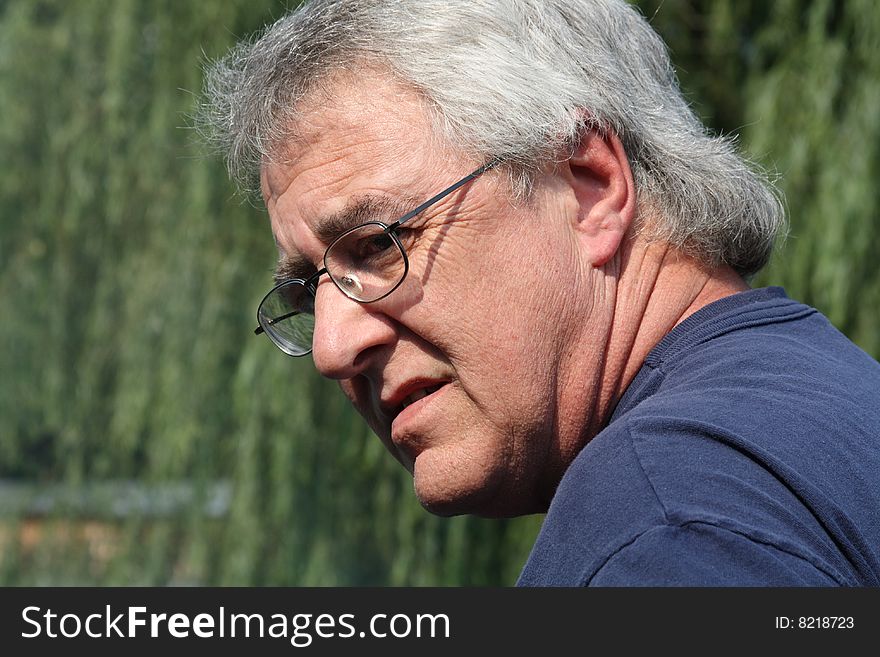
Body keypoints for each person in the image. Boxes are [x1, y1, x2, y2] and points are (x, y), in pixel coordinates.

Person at [201, 0, 880, 585]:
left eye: (379, 243)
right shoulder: (833, 410)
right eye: (304, 290)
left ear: (591, 186)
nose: (332, 346)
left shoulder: (662, 524)